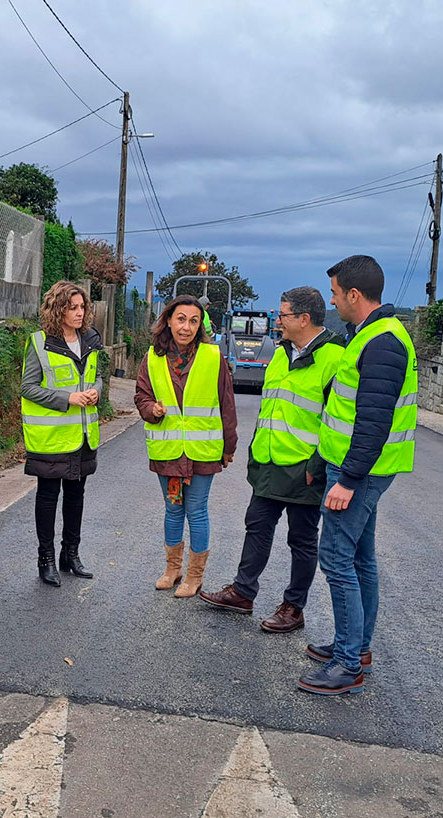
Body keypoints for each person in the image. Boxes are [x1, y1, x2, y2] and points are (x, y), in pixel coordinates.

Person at [298, 255, 417, 696]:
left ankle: (348, 664)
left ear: (353, 294)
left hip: (360, 473)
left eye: (333, 293)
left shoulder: (382, 342)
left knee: (336, 560)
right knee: (360, 559)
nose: (331, 301)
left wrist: (346, 480)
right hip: (357, 468)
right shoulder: (370, 334)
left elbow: (372, 421)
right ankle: (356, 647)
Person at [199, 286, 345, 630]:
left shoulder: (335, 359)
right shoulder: (282, 353)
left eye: (283, 315)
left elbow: (337, 421)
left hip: (305, 468)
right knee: (257, 526)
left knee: (302, 539)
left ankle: (293, 608)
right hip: (269, 462)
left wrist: (318, 465)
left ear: (304, 319)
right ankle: (243, 592)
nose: (277, 320)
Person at [135, 295, 237, 598]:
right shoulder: (152, 358)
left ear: (200, 325)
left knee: (197, 510)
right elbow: (141, 395)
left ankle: (195, 576)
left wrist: (228, 446)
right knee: (172, 509)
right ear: (168, 320)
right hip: (167, 450)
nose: (186, 327)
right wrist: (151, 409)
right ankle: (172, 569)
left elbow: (226, 403)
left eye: (194, 321)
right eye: (181, 319)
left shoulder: (212, 357)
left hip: (202, 451)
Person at [21, 280, 103, 586]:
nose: (80, 313)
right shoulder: (40, 342)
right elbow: (27, 387)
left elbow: (98, 377)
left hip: (82, 435)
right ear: (59, 309)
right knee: (48, 495)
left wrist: (96, 390)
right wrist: (66, 398)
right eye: (73, 307)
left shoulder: (90, 339)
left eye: (82, 307)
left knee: (76, 494)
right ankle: (46, 559)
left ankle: (71, 555)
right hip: (52, 436)